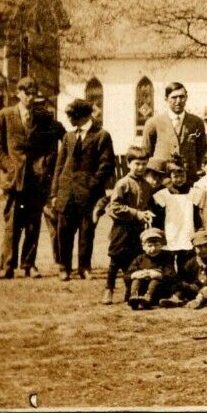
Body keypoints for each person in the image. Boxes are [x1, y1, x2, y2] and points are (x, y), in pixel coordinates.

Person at [0, 78, 63, 278]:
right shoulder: (4, 116)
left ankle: (28, 265)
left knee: (33, 224)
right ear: (18, 93)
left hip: (36, 180)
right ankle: (7, 266)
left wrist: (44, 165)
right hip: (14, 180)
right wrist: (12, 168)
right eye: (27, 93)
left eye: (33, 94)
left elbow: (53, 144)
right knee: (12, 224)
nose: (31, 98)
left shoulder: (44, 117)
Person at [50, 96, 117, 280]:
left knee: (87, 231)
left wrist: (91, 184)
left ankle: (84, 267)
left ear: (84, 116)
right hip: (66, 193)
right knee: (64, 231)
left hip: (90, 194)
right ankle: (64, 267)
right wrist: (54, 193)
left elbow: (106, 165)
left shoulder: (101, 135)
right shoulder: (68, 137)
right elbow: (59, 166)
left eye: (72, 116)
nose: (69, 120)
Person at [103, 146, 157, 304]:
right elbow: (115, 206)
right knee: (116, 260)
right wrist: (136, 213)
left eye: (143, 164)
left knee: (134, 261)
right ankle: (109, 290)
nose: (140, 167)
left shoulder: (147, 185)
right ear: (128, 164)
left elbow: (147, 204)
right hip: (121, 229)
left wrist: (147, 212)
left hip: (137, 230)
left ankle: (131, 291)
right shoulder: (123, 183)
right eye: (137, 164)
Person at [143, 82, 207, 183]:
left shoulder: (197, 122)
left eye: (181, 97)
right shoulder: (153, 122)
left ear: (186, 97)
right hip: (162, 179)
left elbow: (201, 151)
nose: (178, 101)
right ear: (166, 99)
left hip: (189, 179)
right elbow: (146, 153)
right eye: (174, 97)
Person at [153, 160, 199, 257]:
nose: (179, 179)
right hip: (171, 228)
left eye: (182, 176)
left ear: (186, 175)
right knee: (170, 252)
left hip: (187, 228)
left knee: (186, 253)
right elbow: (159, 215)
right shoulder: (164, 194)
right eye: (175, 176)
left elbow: (196, 213)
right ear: (169, 177)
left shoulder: (193, 192)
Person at [125, 228, 179, 309]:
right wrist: (137, 274)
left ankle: (148, 298)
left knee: (155, 279)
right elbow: (127, 275)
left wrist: (159, 275)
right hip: (141, 289)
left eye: (156, 245)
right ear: (143, 247)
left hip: (159, 290)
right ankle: (134, 298)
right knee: (136, 279)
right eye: (150, 246)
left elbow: (172, 276)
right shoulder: (139, 258)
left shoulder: (166, 258)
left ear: (162, 245)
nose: (153, 249)